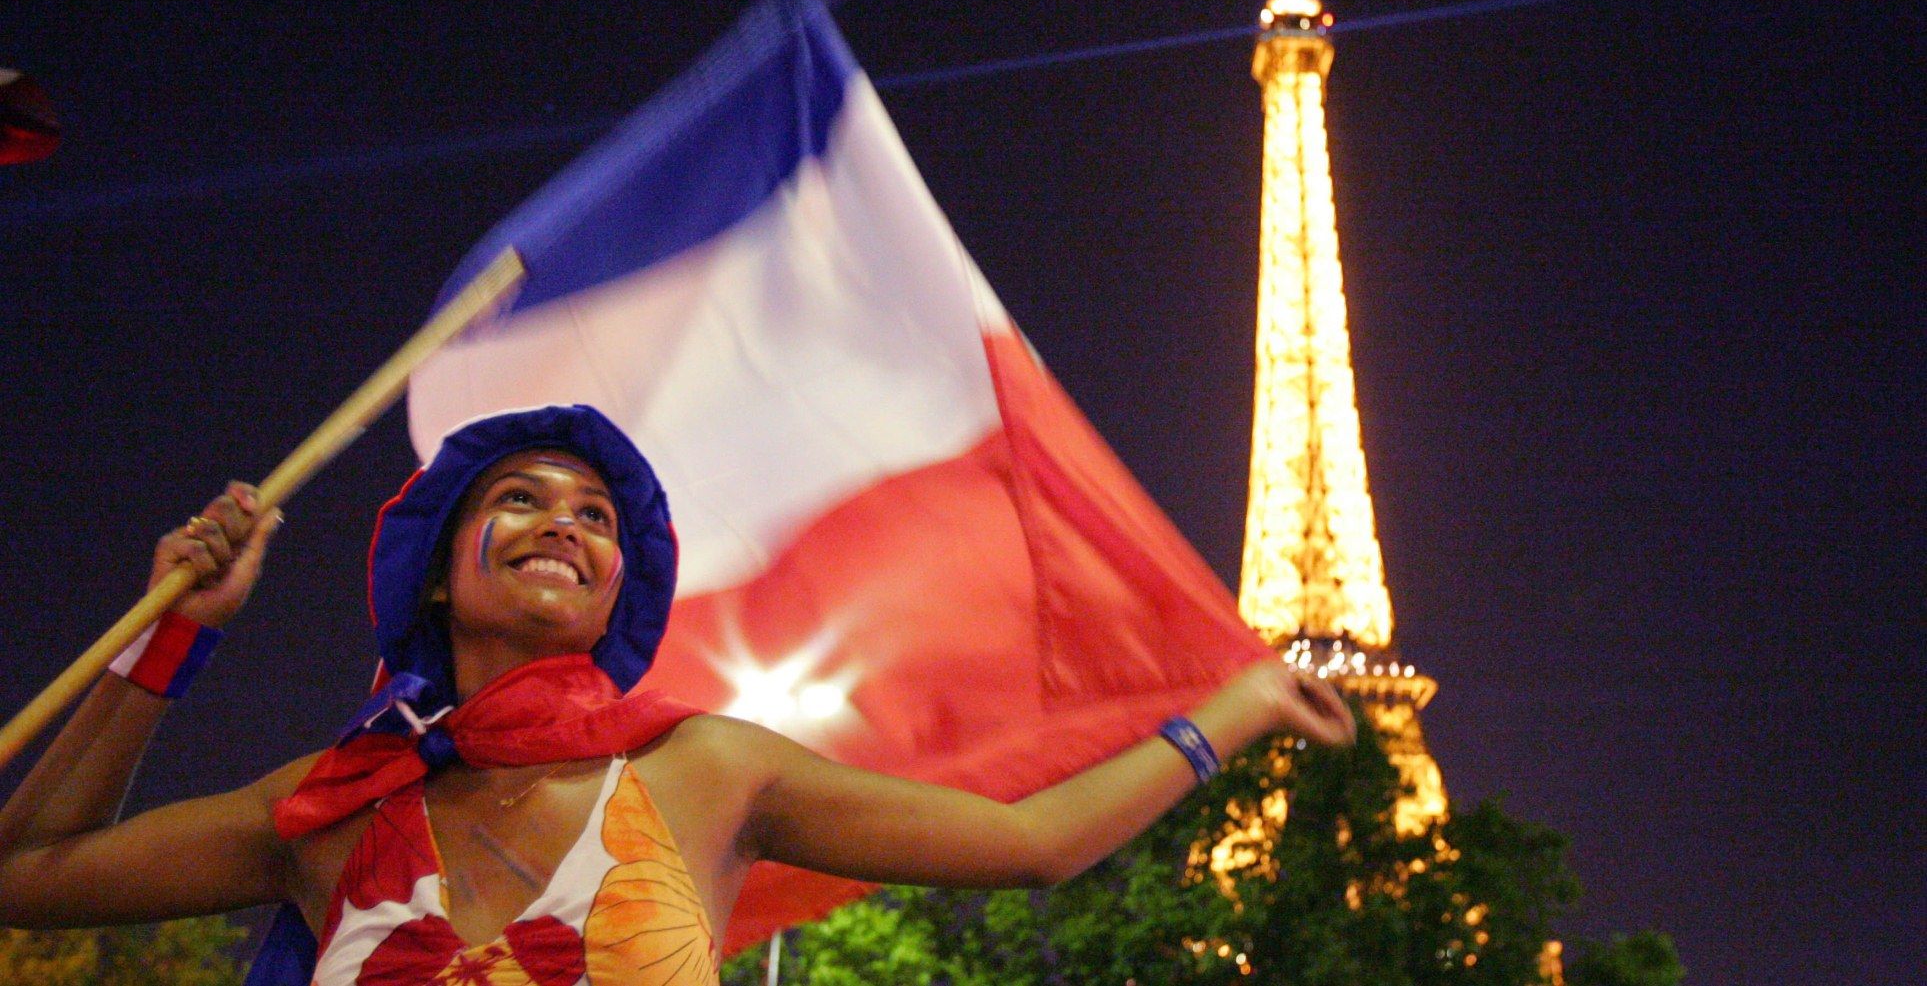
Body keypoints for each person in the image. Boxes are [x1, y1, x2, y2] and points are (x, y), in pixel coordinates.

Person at [0, 405, 1353, 985]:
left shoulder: (704, 771)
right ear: (429, 581)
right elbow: (26, 870)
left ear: (615, 594)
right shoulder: (328, 813)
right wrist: (166, 636)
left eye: (596, 515)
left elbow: (1035, 842)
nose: (564, 523)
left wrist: (1234, 705)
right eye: (516, 499)